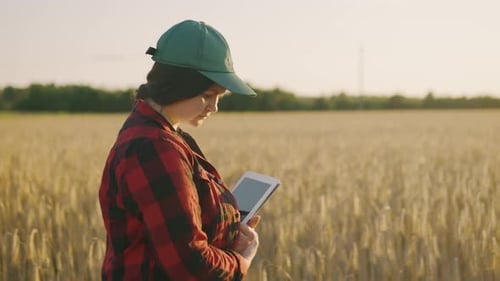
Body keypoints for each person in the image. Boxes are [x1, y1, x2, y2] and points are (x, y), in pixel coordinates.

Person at [98, 19, 261, 280]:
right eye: (208, 95)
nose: (214, 107)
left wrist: (229, 229)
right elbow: (189, 263)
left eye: (220, 97)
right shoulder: (153, 148)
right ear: (180, 85)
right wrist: (242, 259)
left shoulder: (163, 136)